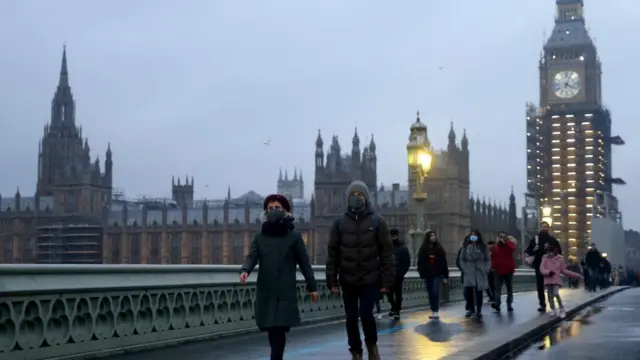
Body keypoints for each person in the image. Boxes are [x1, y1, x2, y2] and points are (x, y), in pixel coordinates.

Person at [240, 194, 319, 360]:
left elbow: (305, 264)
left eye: (277, 208)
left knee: (279, 328)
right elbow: (251, 257)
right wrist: (245, 270)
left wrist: (312, 287)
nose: (273, 211)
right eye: (270, 208)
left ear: (285, 211)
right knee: (272, 329)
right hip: (267, 290)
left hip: (284, 290)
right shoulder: (259, 238)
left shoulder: (294, 237)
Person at [326, 180, 395, 360]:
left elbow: (387, 253)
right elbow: (332, 254)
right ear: (347, 198)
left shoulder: (377, 221)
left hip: (370, 278)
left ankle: (372, 346)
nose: (356, 198)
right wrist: (331, 279)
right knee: (350, 319)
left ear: (366, 197)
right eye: (353, 195)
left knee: (366, 315)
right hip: (348, 279)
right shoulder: (339, 224)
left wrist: (387, 281)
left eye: (360, 195)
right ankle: (356, 351)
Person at [524, 221, 562, 312]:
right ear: (540, 228)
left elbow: (559, 252)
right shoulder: (535, 239)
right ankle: (542, 304)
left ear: (548, 228)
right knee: (540, 285)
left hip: (550, 267)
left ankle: (551, 303)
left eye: (545, 227)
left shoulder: (552, 240)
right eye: (542, 227)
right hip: (539, 266)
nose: (544, 228)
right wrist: (534, 249)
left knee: (550, 285)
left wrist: (551, 250)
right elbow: (528, 251)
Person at [539, 243, 581, 318]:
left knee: (555, 293)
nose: (549, 254)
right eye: (547, 252)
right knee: (550, 295)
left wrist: (577, 275)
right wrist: (548, 272)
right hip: (548, 280)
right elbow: (542, 269)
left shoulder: (559, 259)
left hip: (556, 280)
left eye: (550, 252)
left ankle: (561, 308)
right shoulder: (545, 259)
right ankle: (553, 310)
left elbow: (564, 271)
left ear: (554, 252)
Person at [417, 230, 449, 320]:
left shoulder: (439, 248)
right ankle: (433, 309)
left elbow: (444, 263)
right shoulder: (423, 249)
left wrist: (445, 275)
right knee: (430, 292)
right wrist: (421, 272)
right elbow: (420, 262)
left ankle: (435, 310)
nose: (433, 237)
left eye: (434, 235)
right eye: (431, 236)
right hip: (428, 274)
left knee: (435, 291)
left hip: (437, 274)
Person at [459, 230, 491, 318]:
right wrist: (464, 268)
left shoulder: (483, 247)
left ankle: (479, 310)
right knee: (468, 291)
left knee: (479, 292)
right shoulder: (465, 247)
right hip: (469, 271)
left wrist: (486, 268)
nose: (473, 237)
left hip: (480, 271)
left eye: (475, 235)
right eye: (471, 235)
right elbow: (461, 259)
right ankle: (471, 309)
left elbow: (488, 259)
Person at [387, 228, 411, 320]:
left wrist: (401, 273)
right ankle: (393, 307)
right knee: (388, 294)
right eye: (392, 236)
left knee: (398, 294)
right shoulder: (387, 247)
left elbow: (407, 262)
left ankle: (397, 311)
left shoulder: (403, 248)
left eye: (395, 236)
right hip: (388, 275)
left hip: (398, 275)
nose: (393, 238)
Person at [490, 231, 517, 312]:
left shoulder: (509, 245)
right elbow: (493, 257)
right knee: (497, 289)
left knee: (509, 288)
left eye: (504, 237)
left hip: (508, 270)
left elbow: (512, 249)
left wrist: (506, 242)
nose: (502, 239)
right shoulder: (496, 246)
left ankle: (509, 303)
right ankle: (497, 304)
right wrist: (493, 267)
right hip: (498, 271)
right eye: (500, 237)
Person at [455, 242, 470, 312]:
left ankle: (473, 306)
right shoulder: (461, 251)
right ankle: (469, 302)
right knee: (465, 291)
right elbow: (458, 262)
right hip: (466, 274)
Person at [485, 240, 497, 304]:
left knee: (492, 285)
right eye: (489, 245)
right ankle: (491, 296)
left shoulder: (495, 251)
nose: (490, 246)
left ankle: (493, 297)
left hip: (493, 270)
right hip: (487, 270)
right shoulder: (486, 252)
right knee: (486, 285)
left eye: (491, 244)